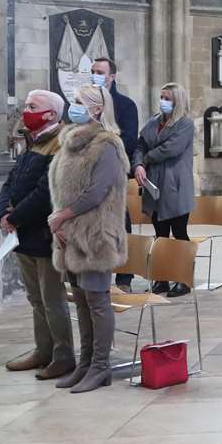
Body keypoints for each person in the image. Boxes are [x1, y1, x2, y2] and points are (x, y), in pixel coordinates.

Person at [46, 85, 129, 394]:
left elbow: (97, 191)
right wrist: (61, 219)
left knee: (97, 301)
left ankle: (101, 366)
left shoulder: (108, 145)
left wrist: (63, 215)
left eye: (80, 102)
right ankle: (85, 363)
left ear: (96, 109)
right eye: (73, 101)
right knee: (80, 301)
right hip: (70, 234)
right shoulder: (70, 142)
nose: (73, 106)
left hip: (95, 234)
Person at [0, 89, 75, 380]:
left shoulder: (60, 142)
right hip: (23, 233)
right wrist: (2, 212)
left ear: (51, 114)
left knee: (52, 298)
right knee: (35, 298)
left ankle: (63, 355)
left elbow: (46, 192)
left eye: (32, 106)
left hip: (44, 232)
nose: (25, 110)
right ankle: (43, 350)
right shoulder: (34, 140)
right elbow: (12, 181)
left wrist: (14, 217)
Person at [132, 82, 196, 296]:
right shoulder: (153, 122)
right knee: (160, 235)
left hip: (175, 185)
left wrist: (148, 158)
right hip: (154, 185)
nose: (163, 102)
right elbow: (139, 145)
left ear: (177, 101)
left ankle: (183, 279)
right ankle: (161, 278)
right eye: (162, 97)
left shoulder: (185, 124)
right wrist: (138, 165)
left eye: (168, 98)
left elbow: (171, 148)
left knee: (179, 233)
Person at [91, 58, 139, 289]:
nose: (95, 75)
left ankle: (124, 276)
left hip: (114, 172)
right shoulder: (85, 102)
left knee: (120, 224)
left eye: (100, 71)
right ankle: (96, 275)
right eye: (92, 71)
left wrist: (100, 144)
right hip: (88, 174)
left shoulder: (126, 105)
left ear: (112, 76)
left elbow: (129, 140)